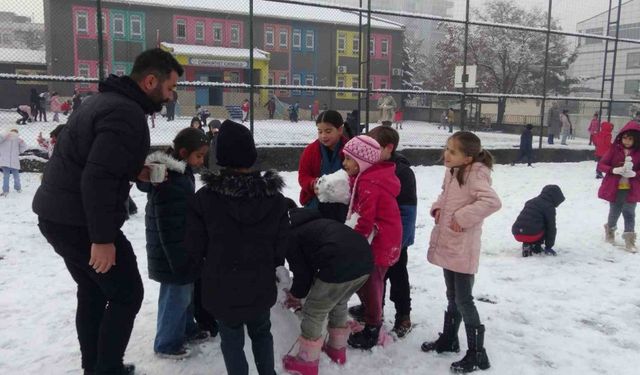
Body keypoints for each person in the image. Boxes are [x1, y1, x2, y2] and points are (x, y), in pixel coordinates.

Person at [32, 48, 183, 375]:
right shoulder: (124, 114)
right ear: (150, 81)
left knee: (93, 290)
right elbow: (97, 178)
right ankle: (107, 369)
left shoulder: (105, 102)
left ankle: (97, 367)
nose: (171, 97)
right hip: (79, 222)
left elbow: (96, 161)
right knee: (128, 294)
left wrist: (134, 169)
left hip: (59, 215)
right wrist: (101, 239)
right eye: (170, 88)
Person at [185, 120, 290, 375]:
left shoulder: (205, 198)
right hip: (260, 282)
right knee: (261, 332)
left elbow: (194, 245)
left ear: (220, 157)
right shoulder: (273, 198)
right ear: (251, 155)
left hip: (221, 285)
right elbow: (281, 241)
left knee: (231, 339)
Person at [420, 131, 501, 373]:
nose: (446, 154)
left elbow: (492, 202)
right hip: (449, 244)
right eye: (446, 148)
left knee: (464, 299)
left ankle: (477, 353)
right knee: (452, 295)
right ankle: (449, 339)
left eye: (452, 151)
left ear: (467, 158)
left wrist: (462, 217)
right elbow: (446, 196)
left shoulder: (475, 174)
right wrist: (437, 209)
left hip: (463, 247)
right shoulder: (453, 171)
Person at [137, 128, 210, 359]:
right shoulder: (172, 181)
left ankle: (187, 328)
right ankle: (167, 343)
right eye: (199, 156)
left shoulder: (178, 173)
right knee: (175, 296)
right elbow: (169, 224)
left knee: (184, 292)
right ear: (183, 152)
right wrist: (178, 257)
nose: (202, 161)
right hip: (173, 249)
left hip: (180, 246)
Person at [282, 207, 373, 374]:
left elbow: (302, 273)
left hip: (339, 264)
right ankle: (337, 350)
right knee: (339, 302)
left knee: (314, 311)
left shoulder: (291, 235)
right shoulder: (316, 223)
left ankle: (306, 361)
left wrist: (295, 295)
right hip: (365, 262)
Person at [341, 135, 402, 350]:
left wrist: (351, 243)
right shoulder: (364, 177)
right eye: (344, 158)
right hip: (380, 237)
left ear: (364, 162)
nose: (344, 163)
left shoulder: (369, 182)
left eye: (349, 159)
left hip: (381, 240)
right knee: (368, 281)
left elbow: (366, 220)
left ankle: (373, 327)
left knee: (370, 283)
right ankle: (371, 310)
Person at [362, 126, 417, 338]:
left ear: (389, 148)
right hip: (377, 236)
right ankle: (376, 309)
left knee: (398, 274)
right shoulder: (372, 166)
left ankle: (404, 314)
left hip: (396, 239)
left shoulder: (402, 172)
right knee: (376, 276)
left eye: (373, 147)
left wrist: (399, 241)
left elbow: (408, 211)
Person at [298, 110, 350, 222]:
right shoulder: (310, 150)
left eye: (328, 131)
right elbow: (303, 176)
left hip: (343, 205)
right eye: (320, 131)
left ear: (340, 130)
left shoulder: (350, 150)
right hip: (316, 202)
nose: (323, 136)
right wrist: (312, 184)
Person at [598, 120, 640, 252]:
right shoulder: (614, 149)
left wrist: (635, 174)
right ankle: (610, 230)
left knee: (629, 214)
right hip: (615, 189)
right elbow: (601, 165)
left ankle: (629, 240)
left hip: (631, 189)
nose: (626, 141)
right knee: (614, 212)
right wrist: (613, 170)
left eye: (630, 139)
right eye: (624, 138)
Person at [512, 185, 565, 257]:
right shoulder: (549, 207)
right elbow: (551, 228)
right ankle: (536, 246)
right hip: (532, 235)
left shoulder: (530, 201)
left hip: (517, 233)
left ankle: (527, 244)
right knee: (545, 225)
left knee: (532, 224)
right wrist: (549, 246)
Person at [0, 129, 27, 197]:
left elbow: (22, 150)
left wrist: (22, 142)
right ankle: (5, 190)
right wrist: (4, 136)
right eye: (12, 133)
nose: (13, 135)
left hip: (14, 161)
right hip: (5, 162)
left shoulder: (18, 141)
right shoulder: (4, 139)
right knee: (6, 177)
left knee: (16, 176)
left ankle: (18, 188)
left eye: (15, 134)